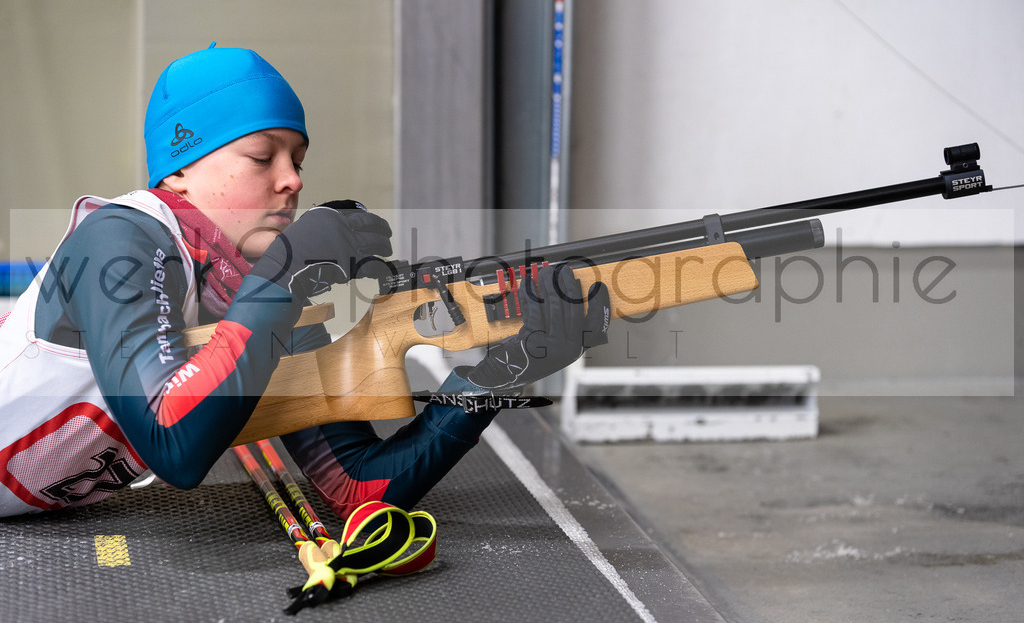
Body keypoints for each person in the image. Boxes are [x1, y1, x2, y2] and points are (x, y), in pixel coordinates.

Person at [0, 43, 610, 519]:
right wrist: (287, 272)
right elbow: (173, 443)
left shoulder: (249, 289)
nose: (292, 180)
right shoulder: (121, 239)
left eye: (299, 161)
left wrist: (493, 380)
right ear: (180, 168)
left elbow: (358, 487)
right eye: (263, 157)